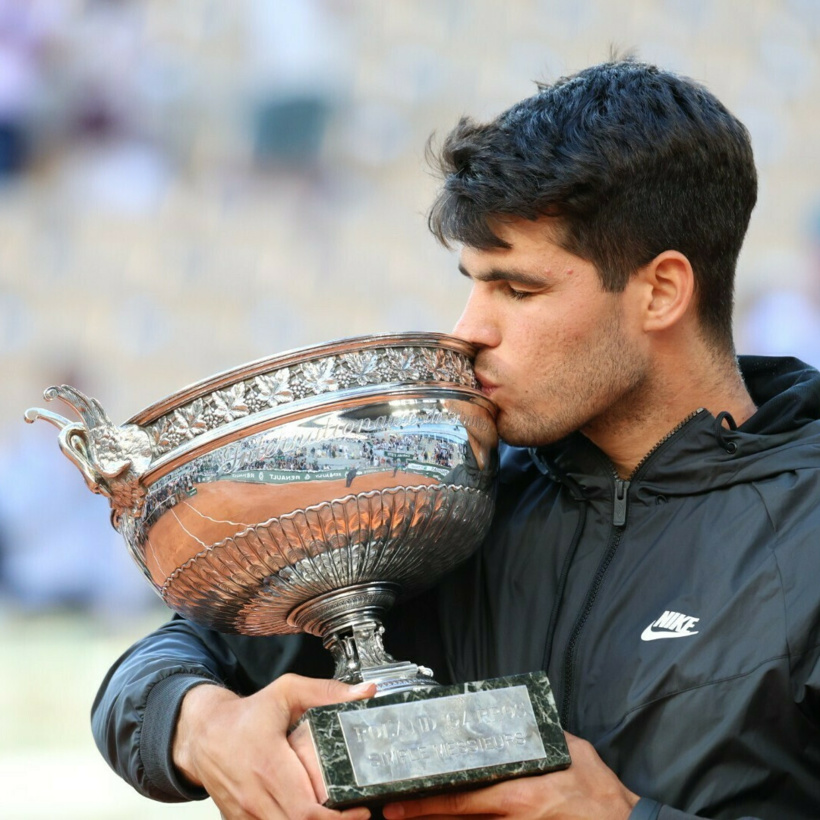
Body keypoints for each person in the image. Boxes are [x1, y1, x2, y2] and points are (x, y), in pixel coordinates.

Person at [91, 60, 820, 820]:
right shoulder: (452, 496)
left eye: (518, 289)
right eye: (472, 281)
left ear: (661, 291)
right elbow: (170, 661)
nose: (468, 329)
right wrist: (203, 725)